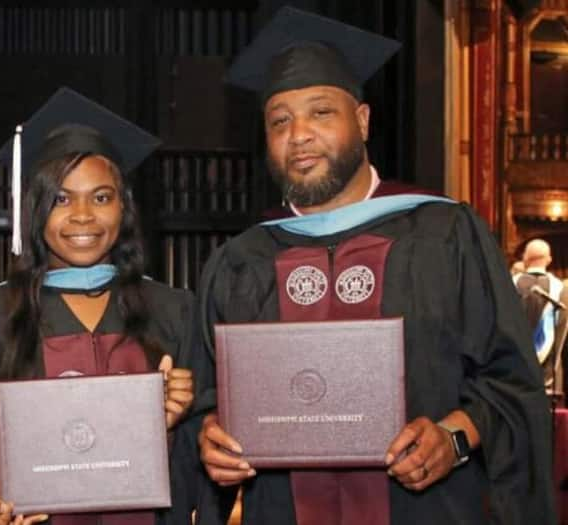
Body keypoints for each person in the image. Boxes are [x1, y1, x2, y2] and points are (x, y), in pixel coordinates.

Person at [194, 7, 554, 525]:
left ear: (361, 121)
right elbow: (209, 404)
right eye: (279, 121)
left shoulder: (443, 235)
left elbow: (511, 384)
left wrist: (454, 437)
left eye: (321, 112)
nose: (298, 135)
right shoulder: (239, 264)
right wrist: (210, 439)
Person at [0, 87, 203, 525]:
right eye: (61, 199)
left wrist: (175, 421)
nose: (83, 215)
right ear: (34, 210)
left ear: (124, 208)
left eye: (101, 197)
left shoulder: (175, 310)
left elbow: (206, 462)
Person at [514, 238, 568, 400]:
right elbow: (562, 339)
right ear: (549, 259)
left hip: (515, 377)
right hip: (549, 379)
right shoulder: (562, 291)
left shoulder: (509, 284)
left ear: (525, 258)